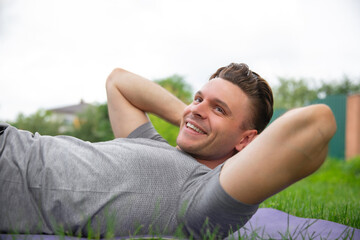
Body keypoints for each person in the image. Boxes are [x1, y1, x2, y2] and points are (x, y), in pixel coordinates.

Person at [0, 63, 336, 239]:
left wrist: (232, 152)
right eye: (199, 97)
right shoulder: (148, 141)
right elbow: (118, 81)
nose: (198, 107)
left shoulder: (204, 201)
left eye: (220, 109)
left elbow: (317, 123)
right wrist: (193, 117)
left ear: (245, 141)